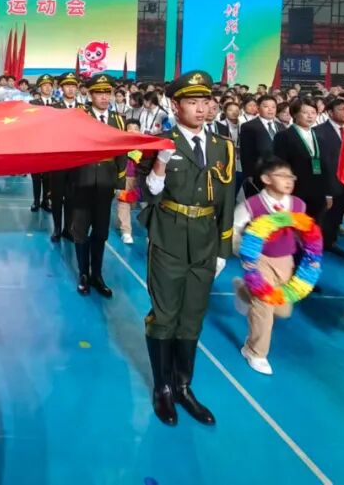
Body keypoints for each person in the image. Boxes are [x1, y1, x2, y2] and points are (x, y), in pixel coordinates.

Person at [141, 70, 235, 427]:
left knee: (193, 316)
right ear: (175, 106)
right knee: (165, 316)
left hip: (206, 241)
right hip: (169, 237)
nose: (200, 108)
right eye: (191, 102)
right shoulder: (161, 142)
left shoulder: (223, 146)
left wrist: (223, 249)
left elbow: (226, 199)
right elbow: (148, 193)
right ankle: (163, 388)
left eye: (204, 101)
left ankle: (183, 386)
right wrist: (160, 164)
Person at [230, 158, 306, 376]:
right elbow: (234, 228)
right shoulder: (252, 205)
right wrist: (243, 253)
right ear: (266, 179)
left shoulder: (298, 205)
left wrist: (310, 253)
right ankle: (255, 351)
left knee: (282, 310)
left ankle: (243, 290)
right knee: (263, 307)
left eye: (291, 176)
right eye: (282, 175)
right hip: (260, 260)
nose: (288, 180)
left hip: (286, 261)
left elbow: (302, 231)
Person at [69, 74, 127, 298]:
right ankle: (83, 274)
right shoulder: (80, 117)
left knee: (101, 232)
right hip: (82, 180)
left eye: (107, 92)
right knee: (80, 230)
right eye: (99, 93)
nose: (104, 97)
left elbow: (122, 152)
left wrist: (119, 182)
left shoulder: (118, 120)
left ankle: (97, 275)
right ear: (90, 94)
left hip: (105, 182)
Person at [273, 99, 330, 232]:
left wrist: (328, 193)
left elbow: (326, 165)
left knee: (314, 229)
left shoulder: (320, 136)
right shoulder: (284, 136)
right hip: (296, 190)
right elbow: (280, 165)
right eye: (305, 112)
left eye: (313, 112)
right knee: (294, 229)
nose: (310, 116)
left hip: (318, 191)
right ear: (295, 114)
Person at [46, 71, 82, 242]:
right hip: (59, 160)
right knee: (57, 196)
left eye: (73, 86)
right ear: (61, 88)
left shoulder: (84, 109)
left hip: (77, 161)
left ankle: (68, 228)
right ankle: (57, 228)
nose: (71, 89)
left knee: (72, 197)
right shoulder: (54, 108)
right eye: (67, 85)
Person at [315, 98, 344, 259]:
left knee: (338, 214)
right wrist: (325, 188)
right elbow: (319, 162)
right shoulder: (319, 132)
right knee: (324, 216)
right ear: (330, 112)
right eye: (341, 109)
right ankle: (319, 244)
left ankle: (331, 241)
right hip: (328, 183)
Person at [238, 95, 284, 196]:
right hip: (258, 174)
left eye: (273, 107)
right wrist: (249, 175)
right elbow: (246, 153)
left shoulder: (281, 126)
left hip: (278, 174)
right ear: (258, 108)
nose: (270, 109)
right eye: (266, 106)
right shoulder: (248, 126)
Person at [28, 74, 58, 214]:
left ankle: (46, 201)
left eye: (50, 85)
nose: (47, 88)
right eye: (44, 85)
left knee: (49, 176)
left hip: (52, 145)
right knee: (35, 176)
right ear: (40, 88)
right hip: (36, 144)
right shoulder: (32, 104)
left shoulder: (58, 104)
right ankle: (35, 200)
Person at [115, 118, 144, 243]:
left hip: (139, 178)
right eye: (130, 129)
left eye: (136, 129)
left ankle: (120, 221)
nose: (133, 131)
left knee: (133, 204)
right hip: (125, 177)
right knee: (124, 202)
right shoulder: (120, 144)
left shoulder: (144, 144)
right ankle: (126, 231)